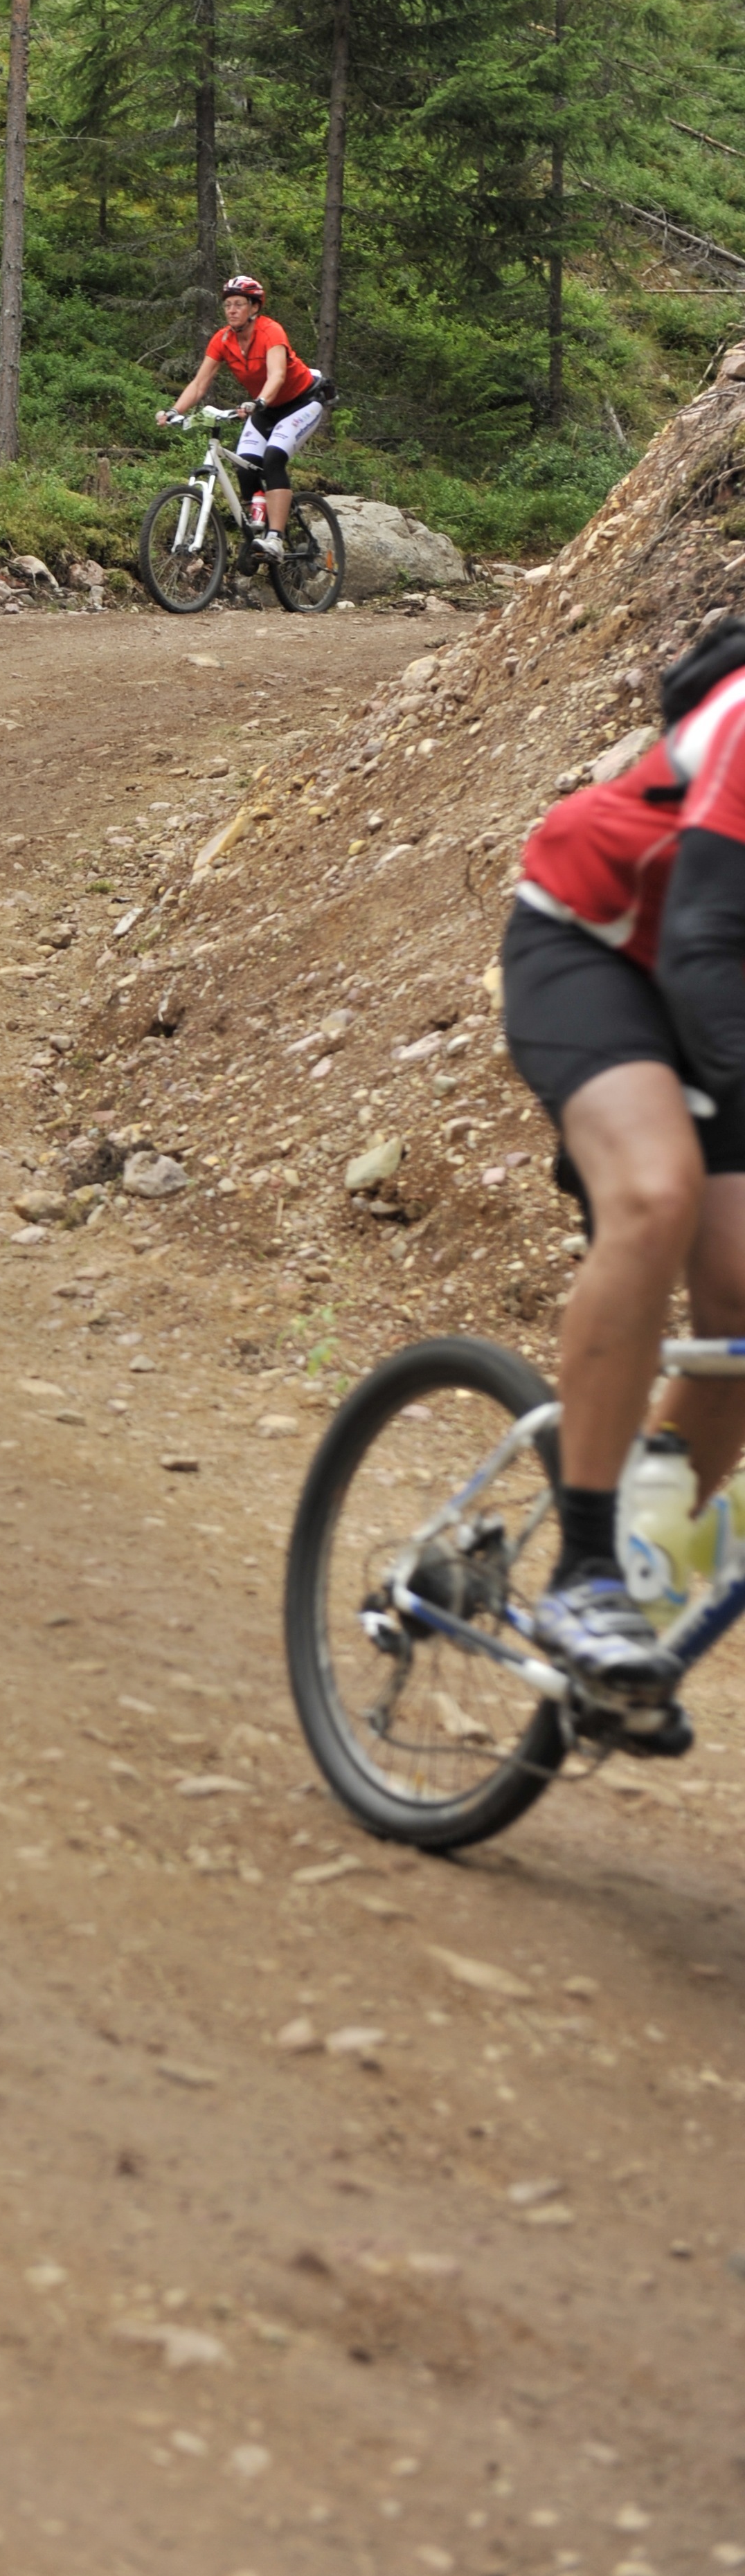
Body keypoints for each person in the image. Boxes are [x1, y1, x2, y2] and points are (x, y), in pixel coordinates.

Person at [502, 618, 745, 1743]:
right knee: (653, 1194)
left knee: (742, 1304)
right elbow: (699, 941)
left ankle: (636, 1610)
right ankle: (584, 1570)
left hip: (720, 990)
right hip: (595, 947)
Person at [157, 275, 326, 563]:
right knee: (245, 463)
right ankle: (257, 528)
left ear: (254, 308)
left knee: (273, 458)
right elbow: (199, 384)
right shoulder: (223, 340)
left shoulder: (271, 332)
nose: (232, 310)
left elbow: (277, 376)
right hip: (264, 408)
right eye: (228, 305)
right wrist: (175, 410)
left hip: (301, 403)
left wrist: (259, 401)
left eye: (239, 304)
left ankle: (276, 538)